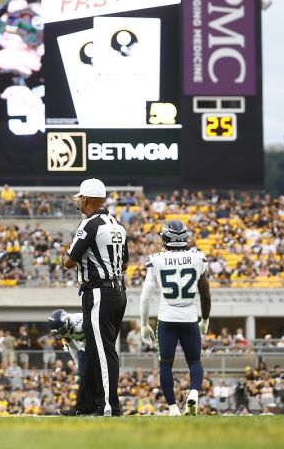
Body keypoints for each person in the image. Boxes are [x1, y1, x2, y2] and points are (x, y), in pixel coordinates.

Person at [63, 177, 128, 417]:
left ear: (87, 199)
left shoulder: (89, 224)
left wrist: (66, 256)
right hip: (118, 290)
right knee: (94, 349)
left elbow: (68, 262)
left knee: (102, 351)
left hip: (99, 292)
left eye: (80, 197)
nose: (78, 201)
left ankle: (110, 405)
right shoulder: (117, 223)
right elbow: (126, 263)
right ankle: (86, 404)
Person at [139, 219, 211, 416]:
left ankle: (173, 408)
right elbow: (205, 294)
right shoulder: (197, 258)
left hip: (167, 318)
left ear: (165, 238)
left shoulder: (156, 260)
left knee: (165, 365)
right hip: (189, 317)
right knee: (195, 362)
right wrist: (204, 319)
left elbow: (145, 297)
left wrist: (144, 323)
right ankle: (194, 393)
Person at [48, 308, 94, 416]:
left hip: (97, 345)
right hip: (84, 347)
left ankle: (99, 405)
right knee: (83, 375)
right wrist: (79, 365)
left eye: (61, 329)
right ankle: (82, 408)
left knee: (97, 374)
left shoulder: (82, 322)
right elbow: (73, 348)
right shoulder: (66, 328)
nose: (61, 333)